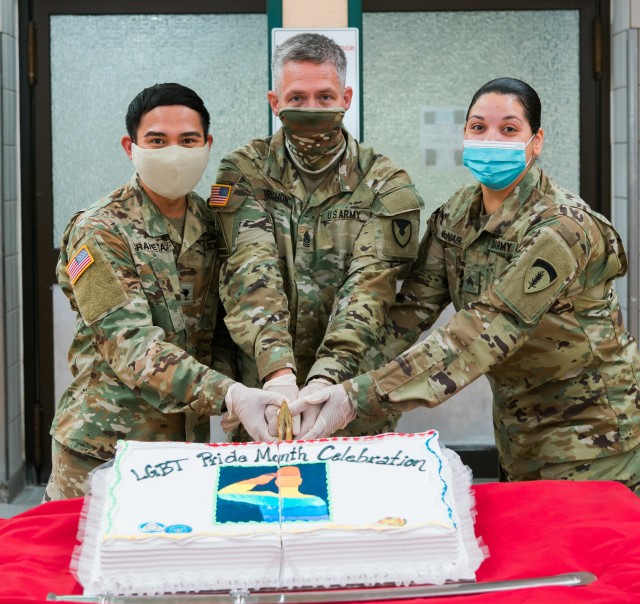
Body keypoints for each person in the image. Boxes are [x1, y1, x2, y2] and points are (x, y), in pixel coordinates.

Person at [290, 77, 640, 494]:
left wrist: (359, 396)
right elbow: (409, 312)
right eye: (478, 127)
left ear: (536, 140)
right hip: (518, 428)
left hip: (593, 433)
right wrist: (328, 382)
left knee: (580, 557)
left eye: (509, 129)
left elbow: (485, 330)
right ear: (464, 134)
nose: (491, 138)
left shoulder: (561, 228)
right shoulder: (457, 215)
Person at [45, 83, 284, 500]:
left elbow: (223, 327)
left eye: (188, 140)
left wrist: (248, 385)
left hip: (185, 450)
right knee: (79, 562)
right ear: (130, 146)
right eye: (157, 140)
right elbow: (130, 345)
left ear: (207, 144)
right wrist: (228, 394)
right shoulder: (98, 231)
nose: (174, 152)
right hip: (103, 451)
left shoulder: (213, 225)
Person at [211, 33, 422, 442]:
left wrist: (327, 378)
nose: (311, 109)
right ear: (275, 103)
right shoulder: (244, 171)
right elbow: (249, 272)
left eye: (324, 97)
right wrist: (277, 374)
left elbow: (370, 288)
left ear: (346, 97)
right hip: (264, 398)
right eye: (298, 97)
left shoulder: (385, 182)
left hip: (350, 398)